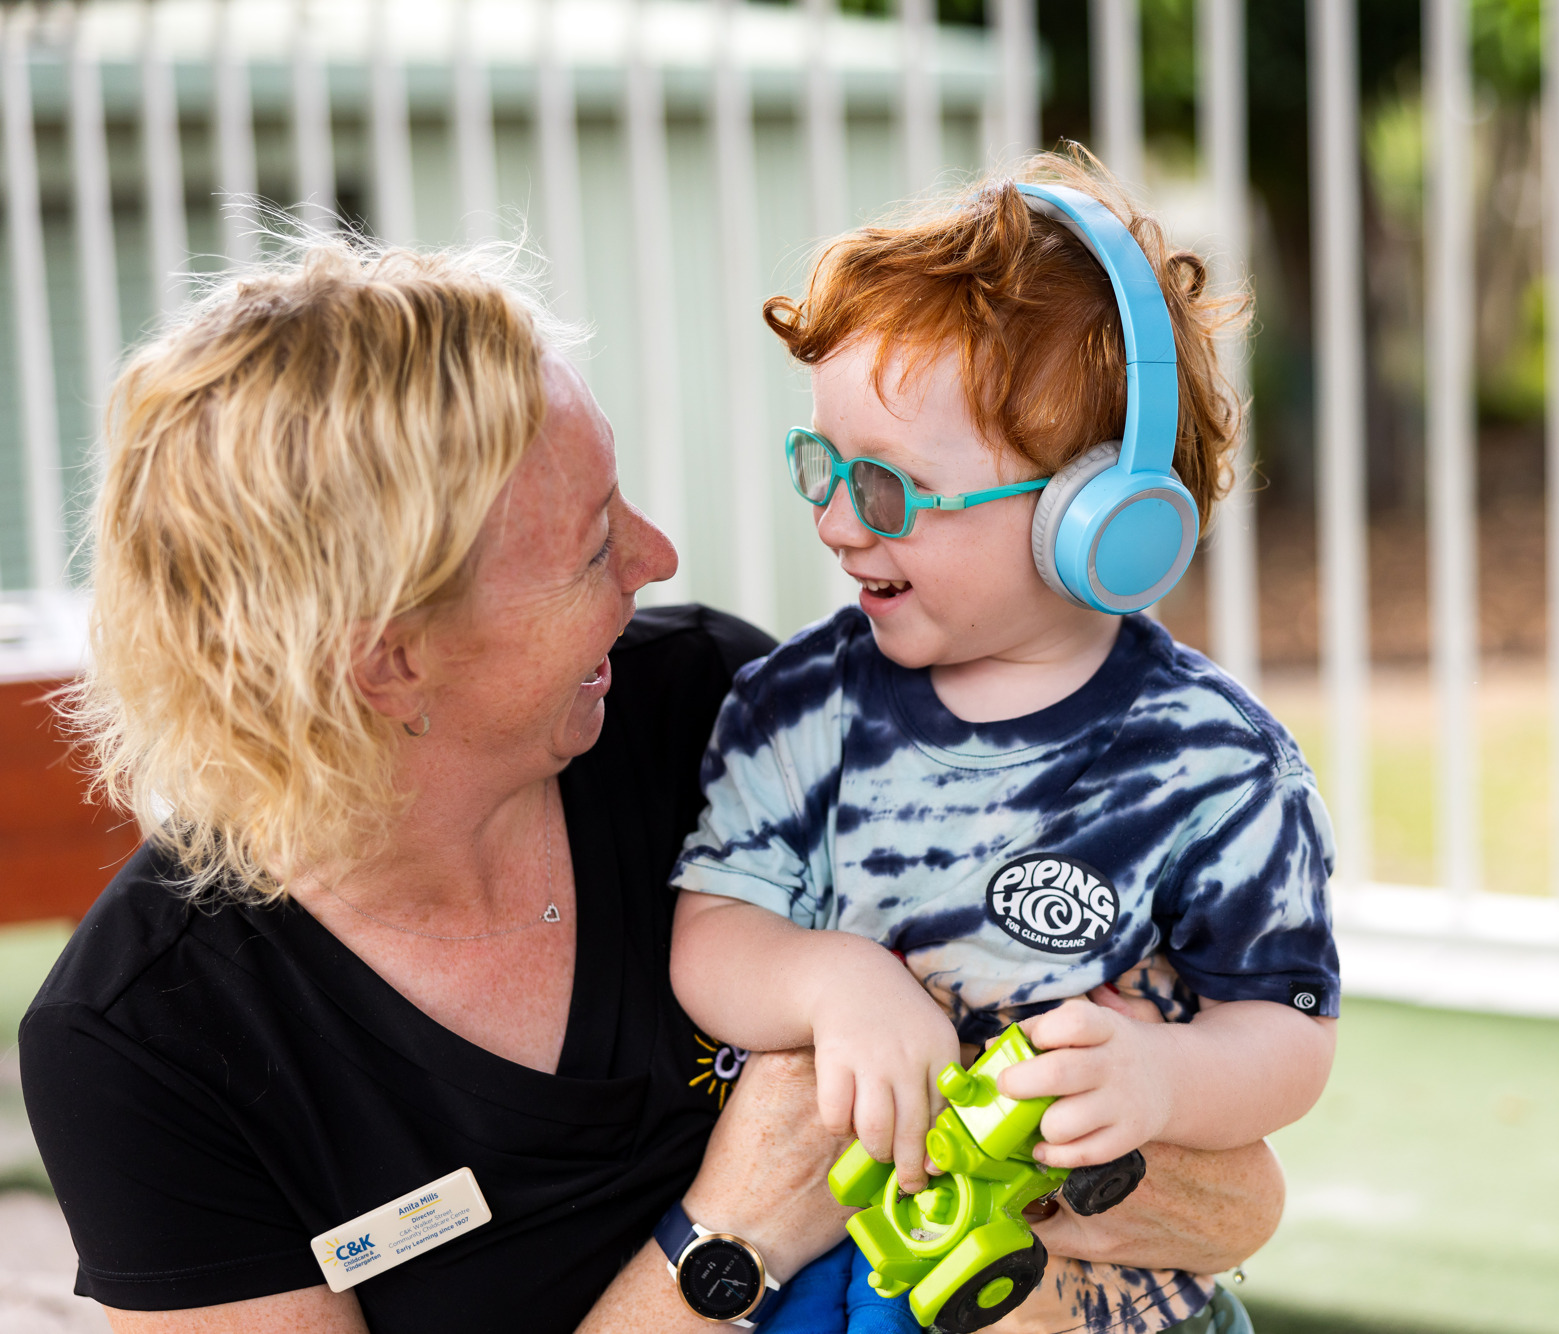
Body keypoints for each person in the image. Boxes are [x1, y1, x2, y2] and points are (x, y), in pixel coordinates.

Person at [19, 242, 1283, 1334]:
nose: (656, 556)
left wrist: (1057, 1131)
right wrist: (728, 1233)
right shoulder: (147, 1040)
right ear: (390, 657)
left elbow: (1231, 1195)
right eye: (588, 547)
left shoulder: (725, 715)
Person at [669, 154, 1340, 1334]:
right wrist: (834, 979)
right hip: (840, 1275)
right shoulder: (794, 708)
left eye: (885, 490)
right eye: (821, 466)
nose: (833, 520)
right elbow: (711, 936)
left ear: (1100, 519)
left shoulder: (1213, 765)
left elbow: (1286, 1032)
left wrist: (1164, 1077)